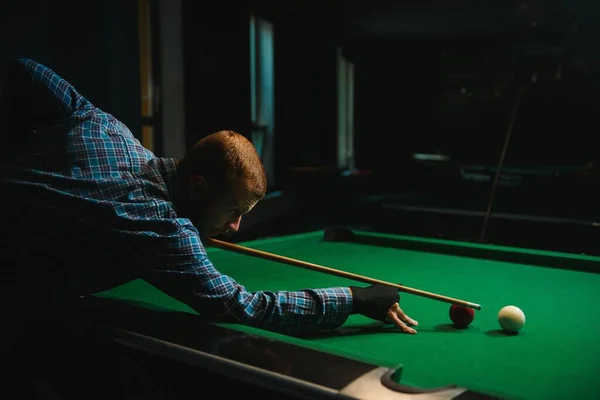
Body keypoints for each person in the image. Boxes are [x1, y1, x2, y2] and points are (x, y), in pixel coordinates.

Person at [0, 58, 418, 346]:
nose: (235, 228)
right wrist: (355, 299)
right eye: (233, 211)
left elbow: (23, 70)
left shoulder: (106, 128)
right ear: (198, 187)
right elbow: (246, 308)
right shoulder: (164, 230)